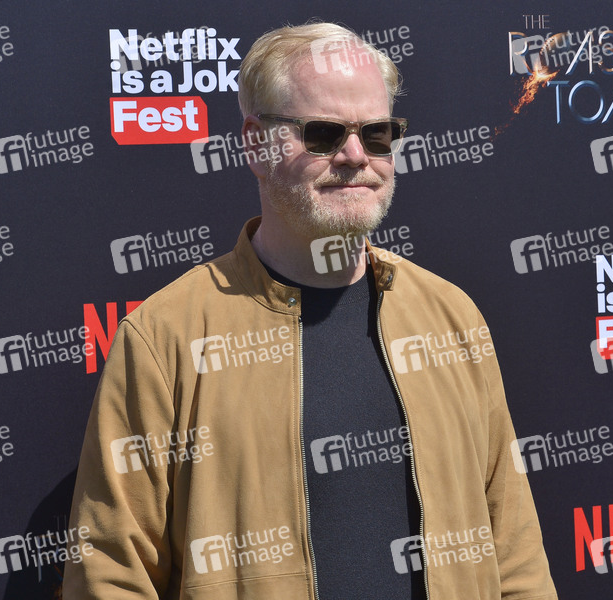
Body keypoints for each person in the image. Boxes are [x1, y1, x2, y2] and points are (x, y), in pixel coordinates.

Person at [63, 22, 557, 600]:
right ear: (256, 145)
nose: (355, 156)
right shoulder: (165, 337)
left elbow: (514, 552)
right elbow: (110, 572)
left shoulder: (451, 317)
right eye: (323, 134)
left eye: (377, 134)